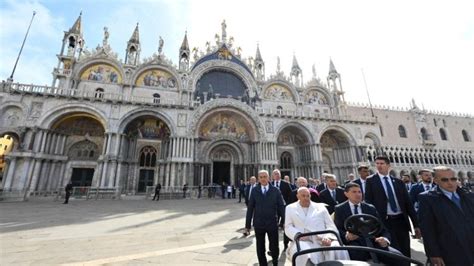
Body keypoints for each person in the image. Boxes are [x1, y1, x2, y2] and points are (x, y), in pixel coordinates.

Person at [364, 155, 421, 258]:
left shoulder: (398, 182)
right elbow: (368, 203)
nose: (379, 166)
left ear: (388, 165)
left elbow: (408, 204)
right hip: (385, 221)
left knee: (405, 250)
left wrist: (416, 225)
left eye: (382, 163)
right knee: (393, 251)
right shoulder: (371, 181)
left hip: (401, 220)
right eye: (377, 164)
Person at [418, 166, 474, 266]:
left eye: (453, 179)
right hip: (452, 250)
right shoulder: (428, 198)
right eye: (445, 180)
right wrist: (434, 254)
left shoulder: (468, 194)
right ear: (435, 180)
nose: (450, 182)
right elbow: (427, 229)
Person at [285, 187, 349, 265]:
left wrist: (328, 237)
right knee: (302, 252)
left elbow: (330, 225)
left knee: (338, 248)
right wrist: (298, 235)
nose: (306, 198)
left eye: (308, 196)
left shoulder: (321, 207)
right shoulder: (290, 208)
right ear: (298, 196)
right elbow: (288, 226)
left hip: (323, 239)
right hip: (304, 240)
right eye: (303, 196)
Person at [334, 183, 394, 263]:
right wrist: (347, 236)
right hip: (354, 244)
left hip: (373, 241)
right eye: (354, 192)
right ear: (346, 194)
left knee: (398, 258)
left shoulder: (370, 208)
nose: (358, 194)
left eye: (359, 192)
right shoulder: (340, 209)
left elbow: (382, 228)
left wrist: (385, 239)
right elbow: (338, 229)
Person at [244, 170, 285, 266]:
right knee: (260, 247)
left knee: (274, 246)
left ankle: (275, 262)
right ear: (258, 179)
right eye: (261, 177)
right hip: (259, 223)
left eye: (265, 176)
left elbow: (281, 207)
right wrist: (247, 225)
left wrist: (285, 221)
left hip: (272, 222)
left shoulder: (275, 190)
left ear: (269, 178)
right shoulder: (255, 190)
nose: (263, 179)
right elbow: (250, 208)